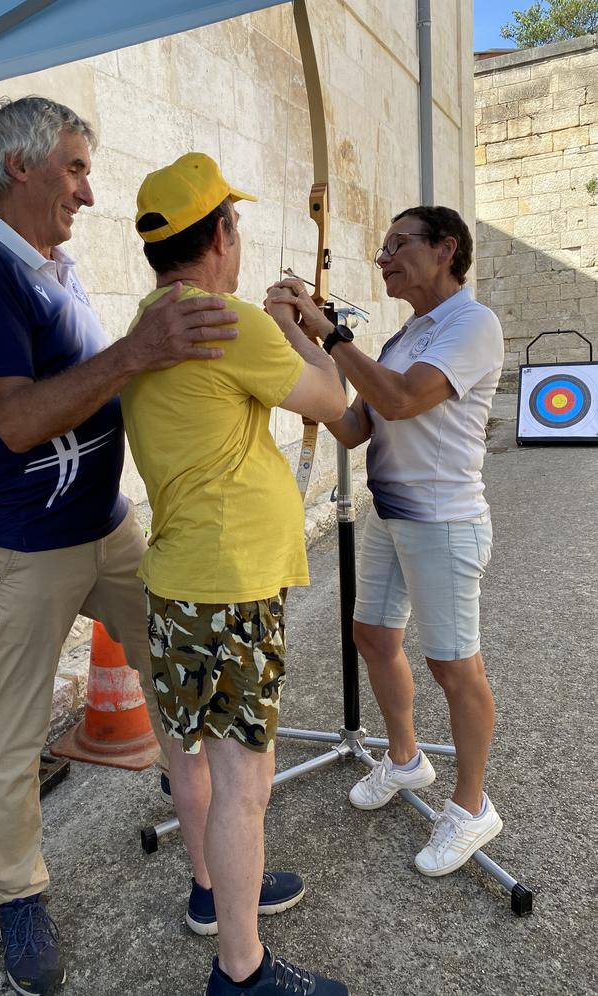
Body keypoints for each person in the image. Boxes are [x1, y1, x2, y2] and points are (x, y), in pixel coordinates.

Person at [0, 97, 241, 996]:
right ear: (21, 166)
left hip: (108, 528)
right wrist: (135, 354)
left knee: (180, 678)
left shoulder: (57, 268)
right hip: (26, 545)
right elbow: (21, 418)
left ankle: (215, 862)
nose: (89, 191)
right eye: (74, 168)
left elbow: (95, 384)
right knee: (17, 733)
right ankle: (20, 896)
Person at [121, 152, 348, 996]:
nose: (239, 237)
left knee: (204, 763)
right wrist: (302, 325)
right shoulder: (225, 322)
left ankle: (217, 897)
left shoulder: (152, 322)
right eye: (236, 224)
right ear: (219, 234)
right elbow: (334, 403)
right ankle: (241, 973)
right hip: (229, 589)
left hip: (183, 583)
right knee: (245, 785)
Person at [268, 206, 505, 877]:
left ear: (445, 248)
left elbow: (401, 401)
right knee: (371, 636)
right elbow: (351, 426)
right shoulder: (405, 337)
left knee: (454, 667)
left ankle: (470, 807)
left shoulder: (470, 324)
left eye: (397, 244)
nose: (382, 257)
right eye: (382, 246)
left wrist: (333, 333)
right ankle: (405, 759)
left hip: (443, 519)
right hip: (392, 514)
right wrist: (296, 341)